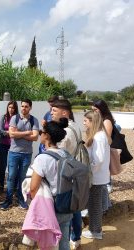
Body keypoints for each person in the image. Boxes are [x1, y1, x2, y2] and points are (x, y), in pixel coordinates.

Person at [29, 118, 72, 250]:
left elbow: (33, 188)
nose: (40, 133)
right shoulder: (66, 154)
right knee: (64, 240)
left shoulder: (43, 158)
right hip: (68, 202)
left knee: (49, 244)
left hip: (51, 206)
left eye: (42, 132)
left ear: (46, 135)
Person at [51, 99, 83, 249]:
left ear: (64, 113)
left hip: (66, 174)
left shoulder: (66, 132)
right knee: (75, 207)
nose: (51, 113)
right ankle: (76, 237)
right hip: (73, 171)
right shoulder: (75, 126)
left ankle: (68, 239)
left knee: (67, 208)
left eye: (54, 110)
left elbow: (59, 155)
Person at [1, 99, 39, 210]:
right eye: (22, 106)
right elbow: (12, 134)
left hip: (27, 154)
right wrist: (28, 132)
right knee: (11, 177)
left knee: (22, 178)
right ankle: (8, 200)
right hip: (14, 153)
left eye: (26, 106)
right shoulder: (15, 118)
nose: (23, 108)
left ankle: (21, 199)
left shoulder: (34, 120)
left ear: (30, 108)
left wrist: (19, 134)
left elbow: (36, 137)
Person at [81, 110, 111, 240]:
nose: (84, 123)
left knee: (95, 206)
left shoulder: (98, 137)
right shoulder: (101, 135)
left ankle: (95, 231)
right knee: (97, 204)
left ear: (92, 122)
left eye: (85, 121)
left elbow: (98, 160)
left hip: (96, 177)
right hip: (100, 176)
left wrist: (88, 170)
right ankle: (96, 229)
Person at [0, 100, 18, 193]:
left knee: (12, 167)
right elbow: (0, 131)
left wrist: (13, 133)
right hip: (3, 145)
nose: (11, 109)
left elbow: (19, 131)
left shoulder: (18, 118)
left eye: (13, 107)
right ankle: (1, 185)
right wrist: (11, 133)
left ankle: (12, 186)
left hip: (14, 146)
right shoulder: (4, 117)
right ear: (7, 108)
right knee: (2, 166)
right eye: (9, 107)